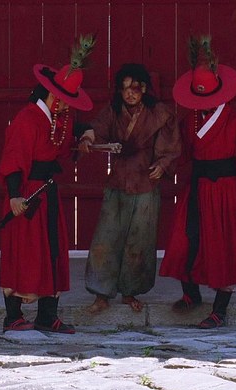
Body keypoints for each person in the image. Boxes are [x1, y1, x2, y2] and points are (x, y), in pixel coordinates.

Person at [159, 36, 236, 329]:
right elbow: (179, 151)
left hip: (226, 191)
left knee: (225, 247)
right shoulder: (190, 120)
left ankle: (220, 309)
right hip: (197, 188)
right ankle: (191, 294)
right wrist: (161, 158)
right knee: (185, 241)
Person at [0, 35, 95, 334]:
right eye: (60, 99)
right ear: (50, 93)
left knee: (52, 249)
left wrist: (87, 134)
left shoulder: (58, 118)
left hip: (47, 193)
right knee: (24, 252)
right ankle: (13, 316)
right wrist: (14, 195)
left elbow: (75, 131)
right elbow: (13, 159)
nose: (64, 105)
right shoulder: (27, 119)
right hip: (25, 194)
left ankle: (47, 316)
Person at [78, 63, 181, 314]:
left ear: (144, 88)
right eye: (124, 89)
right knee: (106, 238)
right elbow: (96, 130)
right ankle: (101, 294)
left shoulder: (160, 113)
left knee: (140, 240)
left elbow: (171, 147)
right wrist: (87, 138)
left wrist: (162, 165)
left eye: (135, 88)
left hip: (145, 183)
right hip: (118, 182)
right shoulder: (113, 111)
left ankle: (130, 292)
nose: (130, 94)